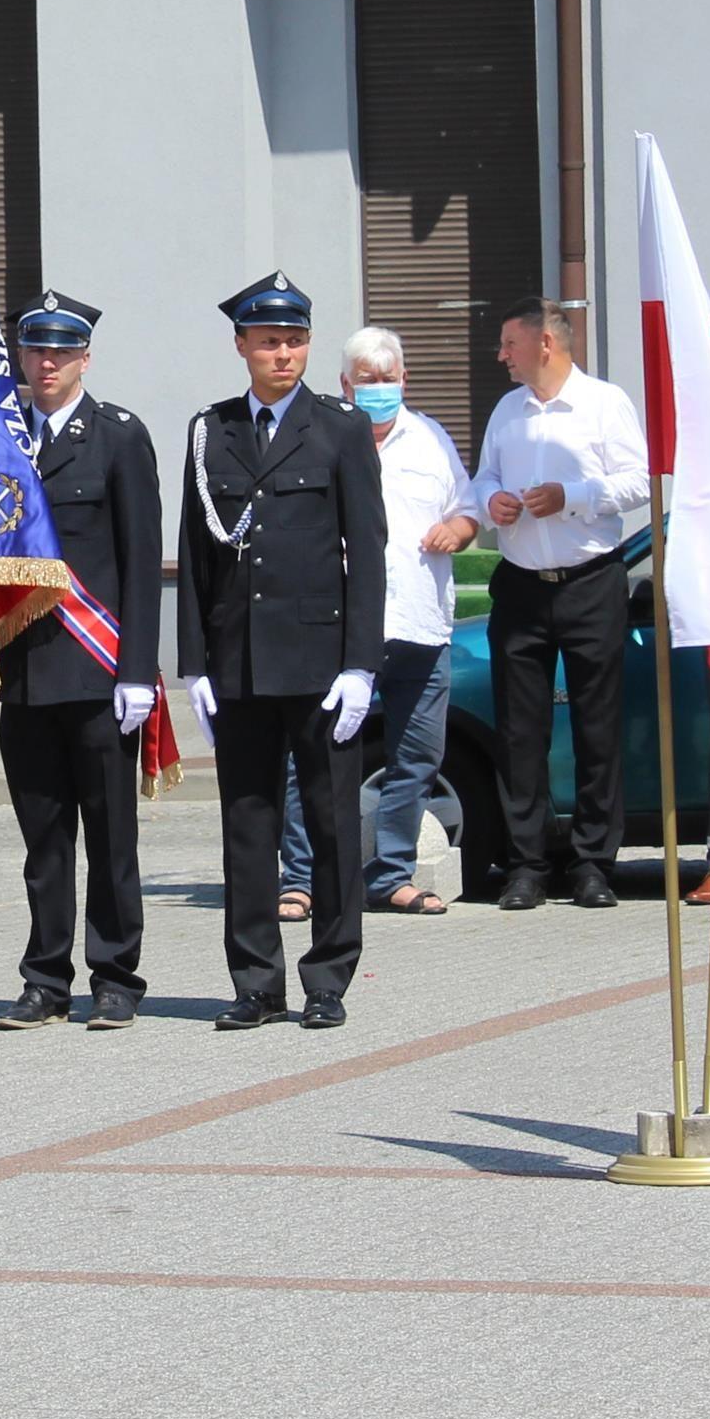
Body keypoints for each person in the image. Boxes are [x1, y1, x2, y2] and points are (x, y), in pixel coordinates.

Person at [176, 272, 386, 1030]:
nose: (284, 353)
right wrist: (194, 663)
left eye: (295, 340)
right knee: (248, 825)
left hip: (321, 661)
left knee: (331, 823)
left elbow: (368, 551)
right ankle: (255, 982)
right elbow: (196, 554)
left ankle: (327, 977)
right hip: (240, 664)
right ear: (242, 346)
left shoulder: (341, 429)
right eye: (269, 341)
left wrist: (362, 662)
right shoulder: (212, 430)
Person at [0, 293, 165, 1028]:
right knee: (44, 841)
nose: (48, 362)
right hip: (25, 672)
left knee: (110, 834)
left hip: (97, 673)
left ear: (85, 358)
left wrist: (137, 670)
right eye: (37, 350)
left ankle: (117, 974)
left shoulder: (118, 437)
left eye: (62, 351)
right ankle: (45, 977)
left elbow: (139, 560)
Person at [463, 297, 646, 911]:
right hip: (520, 584)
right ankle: (526, 864)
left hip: (590, 580)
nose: (501, 356)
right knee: (520, 732)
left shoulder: (604, 403)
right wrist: (492, 503)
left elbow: (638, 481)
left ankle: (594, 863)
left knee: (597, 727)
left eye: (509, 344)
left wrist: (570, 495)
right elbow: (482, 477)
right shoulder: (507, 410)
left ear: (546, 344)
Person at [282, 328, 467, 921]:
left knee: (415, 757)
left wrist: (459, 529)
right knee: (308, 755)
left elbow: (465, 507)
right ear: (346, 384)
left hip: (419, 625)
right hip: (337, 629)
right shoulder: (322, 434)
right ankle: (301, 880)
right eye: (368, 379)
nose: (380, 389)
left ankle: (392, 875)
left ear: (405, 380)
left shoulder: (431, 440)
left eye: (389, 378)